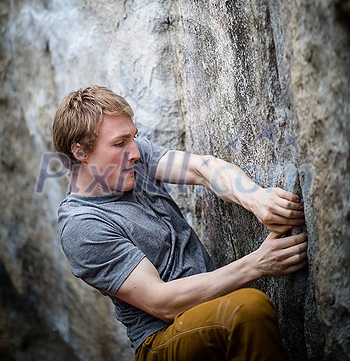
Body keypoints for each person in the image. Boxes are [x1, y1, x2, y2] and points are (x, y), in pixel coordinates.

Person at [53, 85, 307, 361]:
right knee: (248, 310)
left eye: (133, 138)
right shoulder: (83, 226)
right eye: (119, 143)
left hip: (209, 311)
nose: (135, 151)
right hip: (161, 339)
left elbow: (201, 169)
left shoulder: (133, 162)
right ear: (79, 152)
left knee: (241, 309)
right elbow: (162, 303)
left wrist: (256, 198)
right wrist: (259, 263)